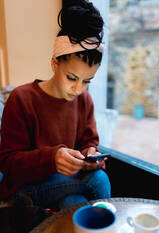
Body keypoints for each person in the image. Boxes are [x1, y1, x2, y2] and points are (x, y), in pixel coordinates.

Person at [0, 0, 111, 210]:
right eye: (71, 77)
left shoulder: (84, 100)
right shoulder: (21, 99)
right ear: (54, 63)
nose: (78, 89)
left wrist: (91, 155)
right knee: (98, 180)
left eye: (87, 81)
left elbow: (89, 142)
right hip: (24, 188)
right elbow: (7, 163)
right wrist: (52, 159)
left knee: (74, 203)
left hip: (66, 185)